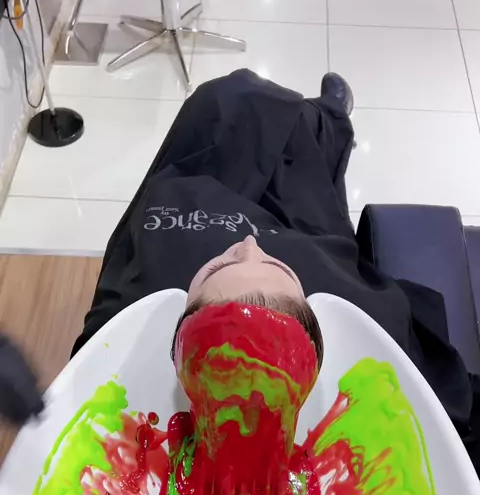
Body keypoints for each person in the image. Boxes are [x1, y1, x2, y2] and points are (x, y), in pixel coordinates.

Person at [72, 69, 479, 469]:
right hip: (306, 232)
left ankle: (321, 117)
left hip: (192, 195)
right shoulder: (366, 320)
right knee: (307, 170)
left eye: (219, 267)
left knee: (221, 101)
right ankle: (329, 118)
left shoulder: (121, 332)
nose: (249, 245)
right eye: (275, 265)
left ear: (180, 333)